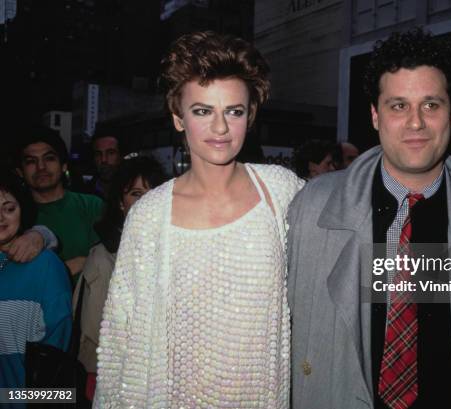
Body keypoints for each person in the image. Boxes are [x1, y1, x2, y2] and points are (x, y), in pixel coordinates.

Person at [288, 29, 451, 409]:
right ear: (375, 115)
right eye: (398, 105)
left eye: (431, 105)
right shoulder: (312, 206)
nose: (416, 123)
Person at [94, 31, 303, 408]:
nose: (220, 128)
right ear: (178, 118)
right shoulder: (149, 214)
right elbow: (120, 336)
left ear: (250, 115)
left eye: (234, 111)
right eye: (202, 111)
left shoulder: (283, 192)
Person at [72, 156, 167, 402]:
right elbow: (98, 330)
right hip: (111, 375)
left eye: (153, 192)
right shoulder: (105, 256)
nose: (146, 201)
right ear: (121, 204)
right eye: (136, 193)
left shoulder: (170, 249)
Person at [0, 170, 72, 396]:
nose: (0, 218)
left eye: (9, 209)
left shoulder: (46, 265)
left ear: (23, 210)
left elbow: (57, 350)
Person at [15, 127, 104, 283]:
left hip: (90, 302)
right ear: (20, 172)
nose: (41, 167)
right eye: (31, 161)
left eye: (49, 158)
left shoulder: (91, 205)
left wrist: (86, 261)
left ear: (63, 166)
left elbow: (112, 256)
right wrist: (63, 268)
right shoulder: (12, 215)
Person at [87, 130, 122, 199]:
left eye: (110, 153)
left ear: (120, 156)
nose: (104, 160)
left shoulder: (131, 192)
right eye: (98, 154)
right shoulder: (84, 195)